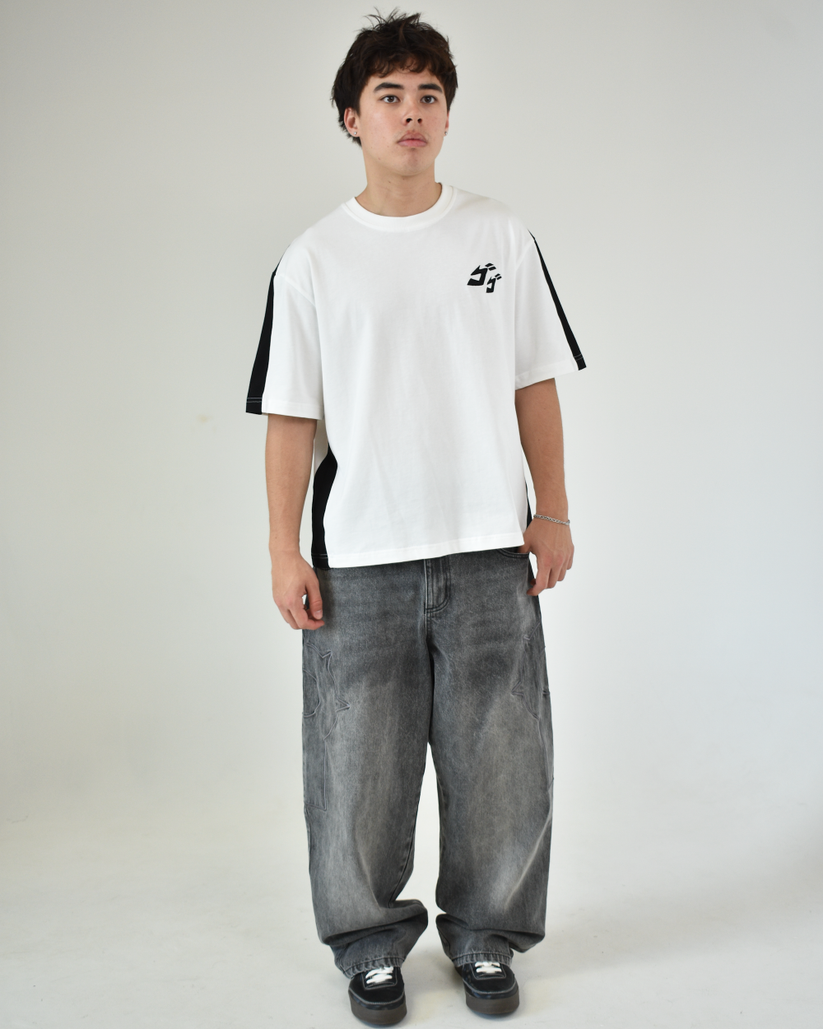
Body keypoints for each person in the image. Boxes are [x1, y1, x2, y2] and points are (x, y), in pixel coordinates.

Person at [246, 11, 585, 1024]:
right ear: (351, 118)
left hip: (487, 547)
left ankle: (487, 936)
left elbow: (533, 382)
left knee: (503, 763)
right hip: (359, 554)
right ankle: (367, 944)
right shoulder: (314, 259)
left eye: (428, 95)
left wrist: (553, 510)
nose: (411, 113)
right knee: (356, 769)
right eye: (388, 95)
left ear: (446, 115)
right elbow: (290, 419)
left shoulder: (498, 236)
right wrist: (282, 550)